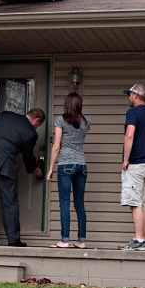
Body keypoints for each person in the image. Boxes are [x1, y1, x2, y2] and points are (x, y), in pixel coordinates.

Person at [0, 108, 45, 247]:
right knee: (9, 202)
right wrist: (35, 169)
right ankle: (13, 240)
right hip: (4, 165)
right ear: (37, 120)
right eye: (38, 125)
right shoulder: (30, 133)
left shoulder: (4, 115)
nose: (36, 127)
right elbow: (28, 157)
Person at [47, 92, 90, 249]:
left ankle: (64, 240)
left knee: (64, 203)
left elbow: (56, 146)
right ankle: (81, 241)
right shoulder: (86, 122)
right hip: (81, 165)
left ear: (67, 104)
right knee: (79, 203)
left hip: (65, 165)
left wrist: (51, 168)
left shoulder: (60, 120)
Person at [118, 84, 145, 251]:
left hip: (135, 164)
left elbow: (129, 134)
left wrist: (126, 159)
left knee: (135, 203)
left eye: (129, 94)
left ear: (135, 95)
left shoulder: (132, 113)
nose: (128, 97)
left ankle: (139, 240)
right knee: (141, 203)